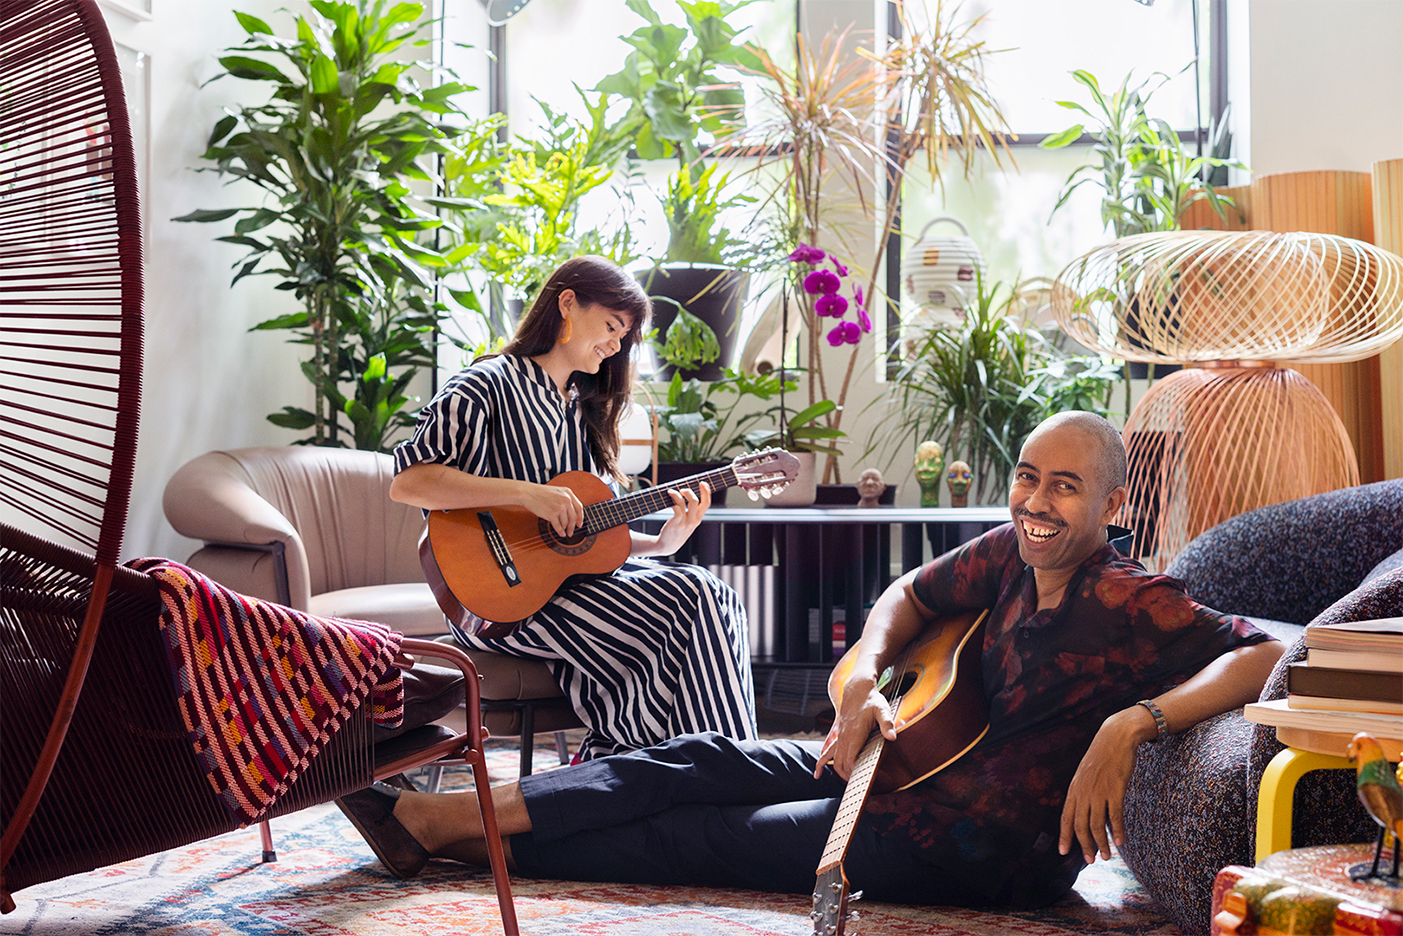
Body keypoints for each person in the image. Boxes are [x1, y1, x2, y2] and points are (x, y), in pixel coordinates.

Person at [343, 411, 1283, 908]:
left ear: (1110, 506)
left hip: (972, 848)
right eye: (1028, 476)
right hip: (897, 758)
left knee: (704, 835)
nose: (1036, 501)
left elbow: (1264, 652)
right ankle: (436, 815)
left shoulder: (1130, 599)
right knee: (699, 757)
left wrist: (1133, 723)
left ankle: (448, 839)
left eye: (1065, 487)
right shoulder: (1005, 550)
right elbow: (904, 598)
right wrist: (863, 682)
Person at [390, 255, 757, 764]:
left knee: (716, 595)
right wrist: (525, 492)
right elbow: (410, 483)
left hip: (565, 588)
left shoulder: (579, 408)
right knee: (691, 596)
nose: (615, 345)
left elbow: (581, 539)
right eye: (610, 326)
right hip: (498, 599)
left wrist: (661, 544)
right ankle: (724, 775)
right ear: (566, 304)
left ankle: (683, 769)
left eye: (623, 337)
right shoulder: (484, 385)